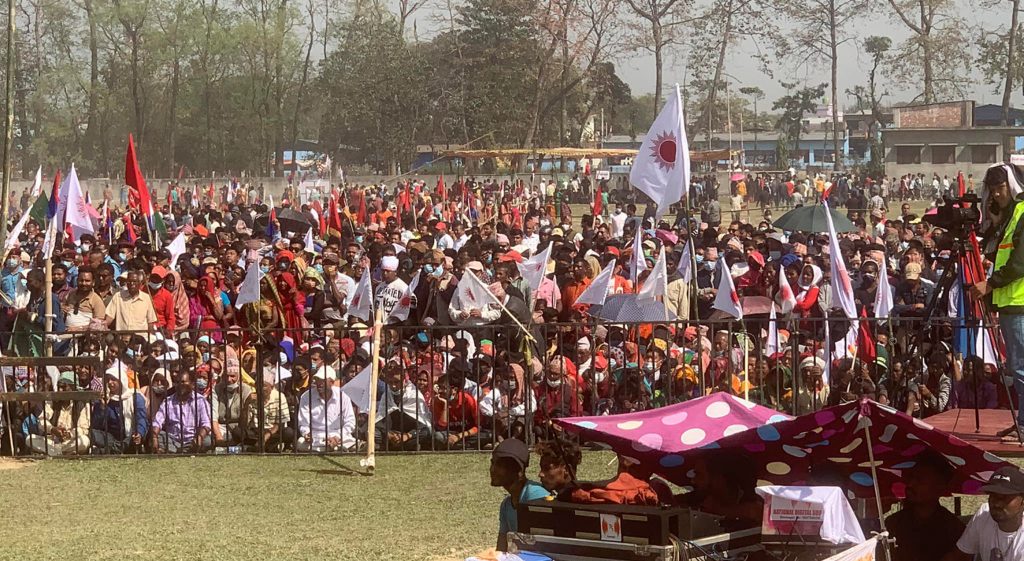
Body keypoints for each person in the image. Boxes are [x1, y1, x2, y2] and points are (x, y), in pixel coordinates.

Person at [971, 164, 1024, 438]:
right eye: (992, 190)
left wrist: (988, 283)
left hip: (1019, 303)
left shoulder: (1023, 214)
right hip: (1009, 303)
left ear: (1012, 186)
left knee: (1020, 366)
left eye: (1000, 188)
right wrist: (992, 219)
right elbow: (994, 249)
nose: (996, 194)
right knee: (1017, 365)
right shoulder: (1010, 216)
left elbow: (1019, 264)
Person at [886, 451, 965, 561]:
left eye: (919, 480)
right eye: (911, 478)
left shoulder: (954, 530)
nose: (910, 484)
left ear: (940, 487)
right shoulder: (892, 523)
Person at [943, 466, 1024, 561]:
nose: (997, 503)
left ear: (1022, 501)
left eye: (1005, 497)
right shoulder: (984, 514)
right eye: (993, 496)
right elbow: (960, 556)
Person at [490, 438, 550, 552]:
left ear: (519, 471)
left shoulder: (535, 496)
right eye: (492, 463)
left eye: (499, 465)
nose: (492, 470)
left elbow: (542, 546)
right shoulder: (506, 505)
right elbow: (501, 549)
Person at [150, 371, 213, 453]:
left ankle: (176, 451)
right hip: (173, 439)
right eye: (177, 382)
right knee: (159, 435)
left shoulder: (200, 400)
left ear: (192, 384)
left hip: (193, 439)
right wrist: (154, 437)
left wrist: (200, 437)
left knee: (208, 440)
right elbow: (157, 422)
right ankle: (180, 450)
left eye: (183, 382)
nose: (180, 385)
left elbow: (206, 424)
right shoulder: (168, 401)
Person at [296, 367, 356, 452]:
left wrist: (338, 437)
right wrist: (307, 434)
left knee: (350, 440)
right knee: (300, 442)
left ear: (331, 382)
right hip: (316, 436)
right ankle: (336, 448)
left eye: (323, 381)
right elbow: (303, 423)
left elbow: (350, 422)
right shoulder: (306, 397)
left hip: (338, 434)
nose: (319, 383)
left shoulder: (343, 396)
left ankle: (329, 447)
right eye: (317, 380)